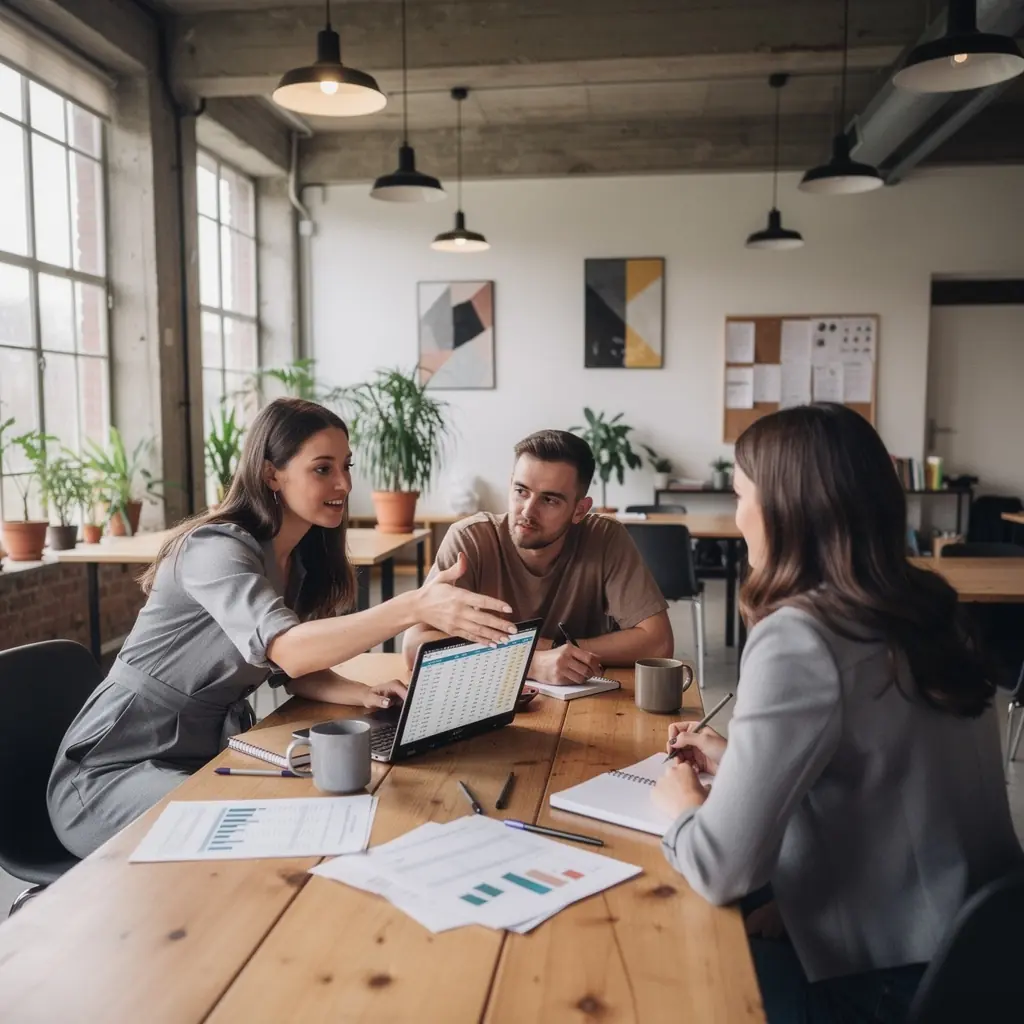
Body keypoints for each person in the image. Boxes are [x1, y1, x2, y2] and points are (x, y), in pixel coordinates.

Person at [651, 403, 1023, 1023]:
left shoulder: (799, 635)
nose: (738, 518)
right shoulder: (931, 606)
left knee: (670, 967)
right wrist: (737, 757)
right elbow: (891, 772)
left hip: (888, 980)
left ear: (783, 510)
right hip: (983, 946)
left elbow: (723, 868)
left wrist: (683, 806)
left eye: (741, 497)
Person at [48, 398, 516, 858]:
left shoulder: (299, 561)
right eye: (323, 469)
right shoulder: (214, 547)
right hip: (112, 770)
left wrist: (362, 693)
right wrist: (414, 606)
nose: (343, 483)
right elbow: (288, 649)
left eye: (345, 466)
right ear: (272, 473)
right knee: (265, 830)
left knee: (328, 810)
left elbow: (290, 669)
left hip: (202, 754)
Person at [402, 429, 673, 684]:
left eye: (549, 500)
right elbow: (415, 645)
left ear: (580, 510)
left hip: (584, 698)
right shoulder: (469, 539)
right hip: (485, 696)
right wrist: (529, 661)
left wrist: (557, 650)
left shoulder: (605, 538)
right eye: (521, 491)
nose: (527, 512)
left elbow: (658, 643)